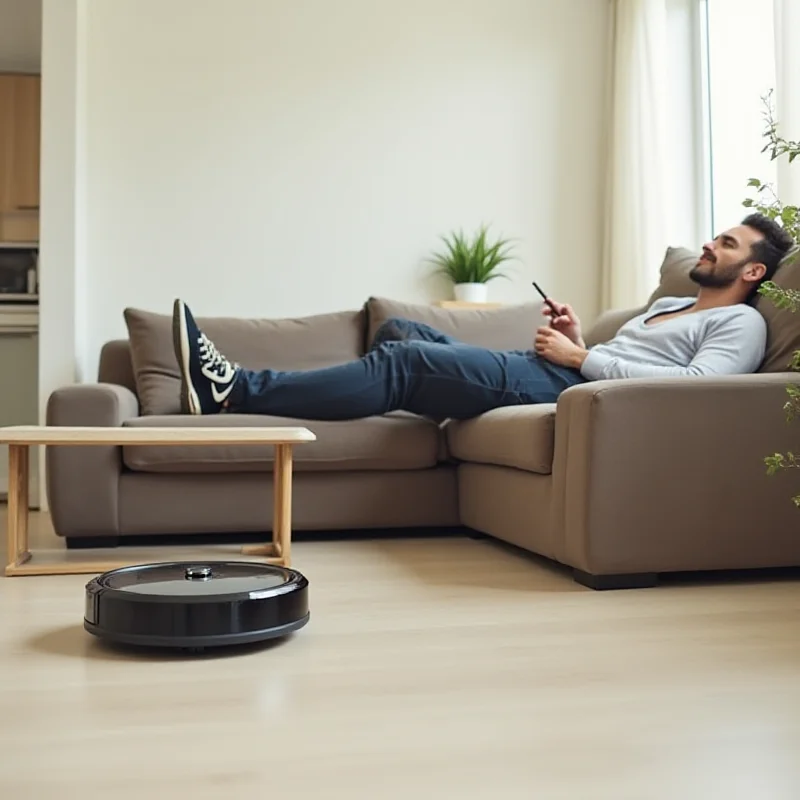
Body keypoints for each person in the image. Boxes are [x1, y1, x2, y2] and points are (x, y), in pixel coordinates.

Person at [171, 213, 794, 421]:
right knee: (399, 332)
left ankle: (234, 391)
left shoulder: (741, 325)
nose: (711, 245)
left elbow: (698, 392)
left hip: (567, 387)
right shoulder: (670, 305)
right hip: (558, 370)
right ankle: (409, 391)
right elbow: (630, 357)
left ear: (753, 273)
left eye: (728, 246)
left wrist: (580, 357)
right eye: (716, 237)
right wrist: (577, 336)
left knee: (405, 358)